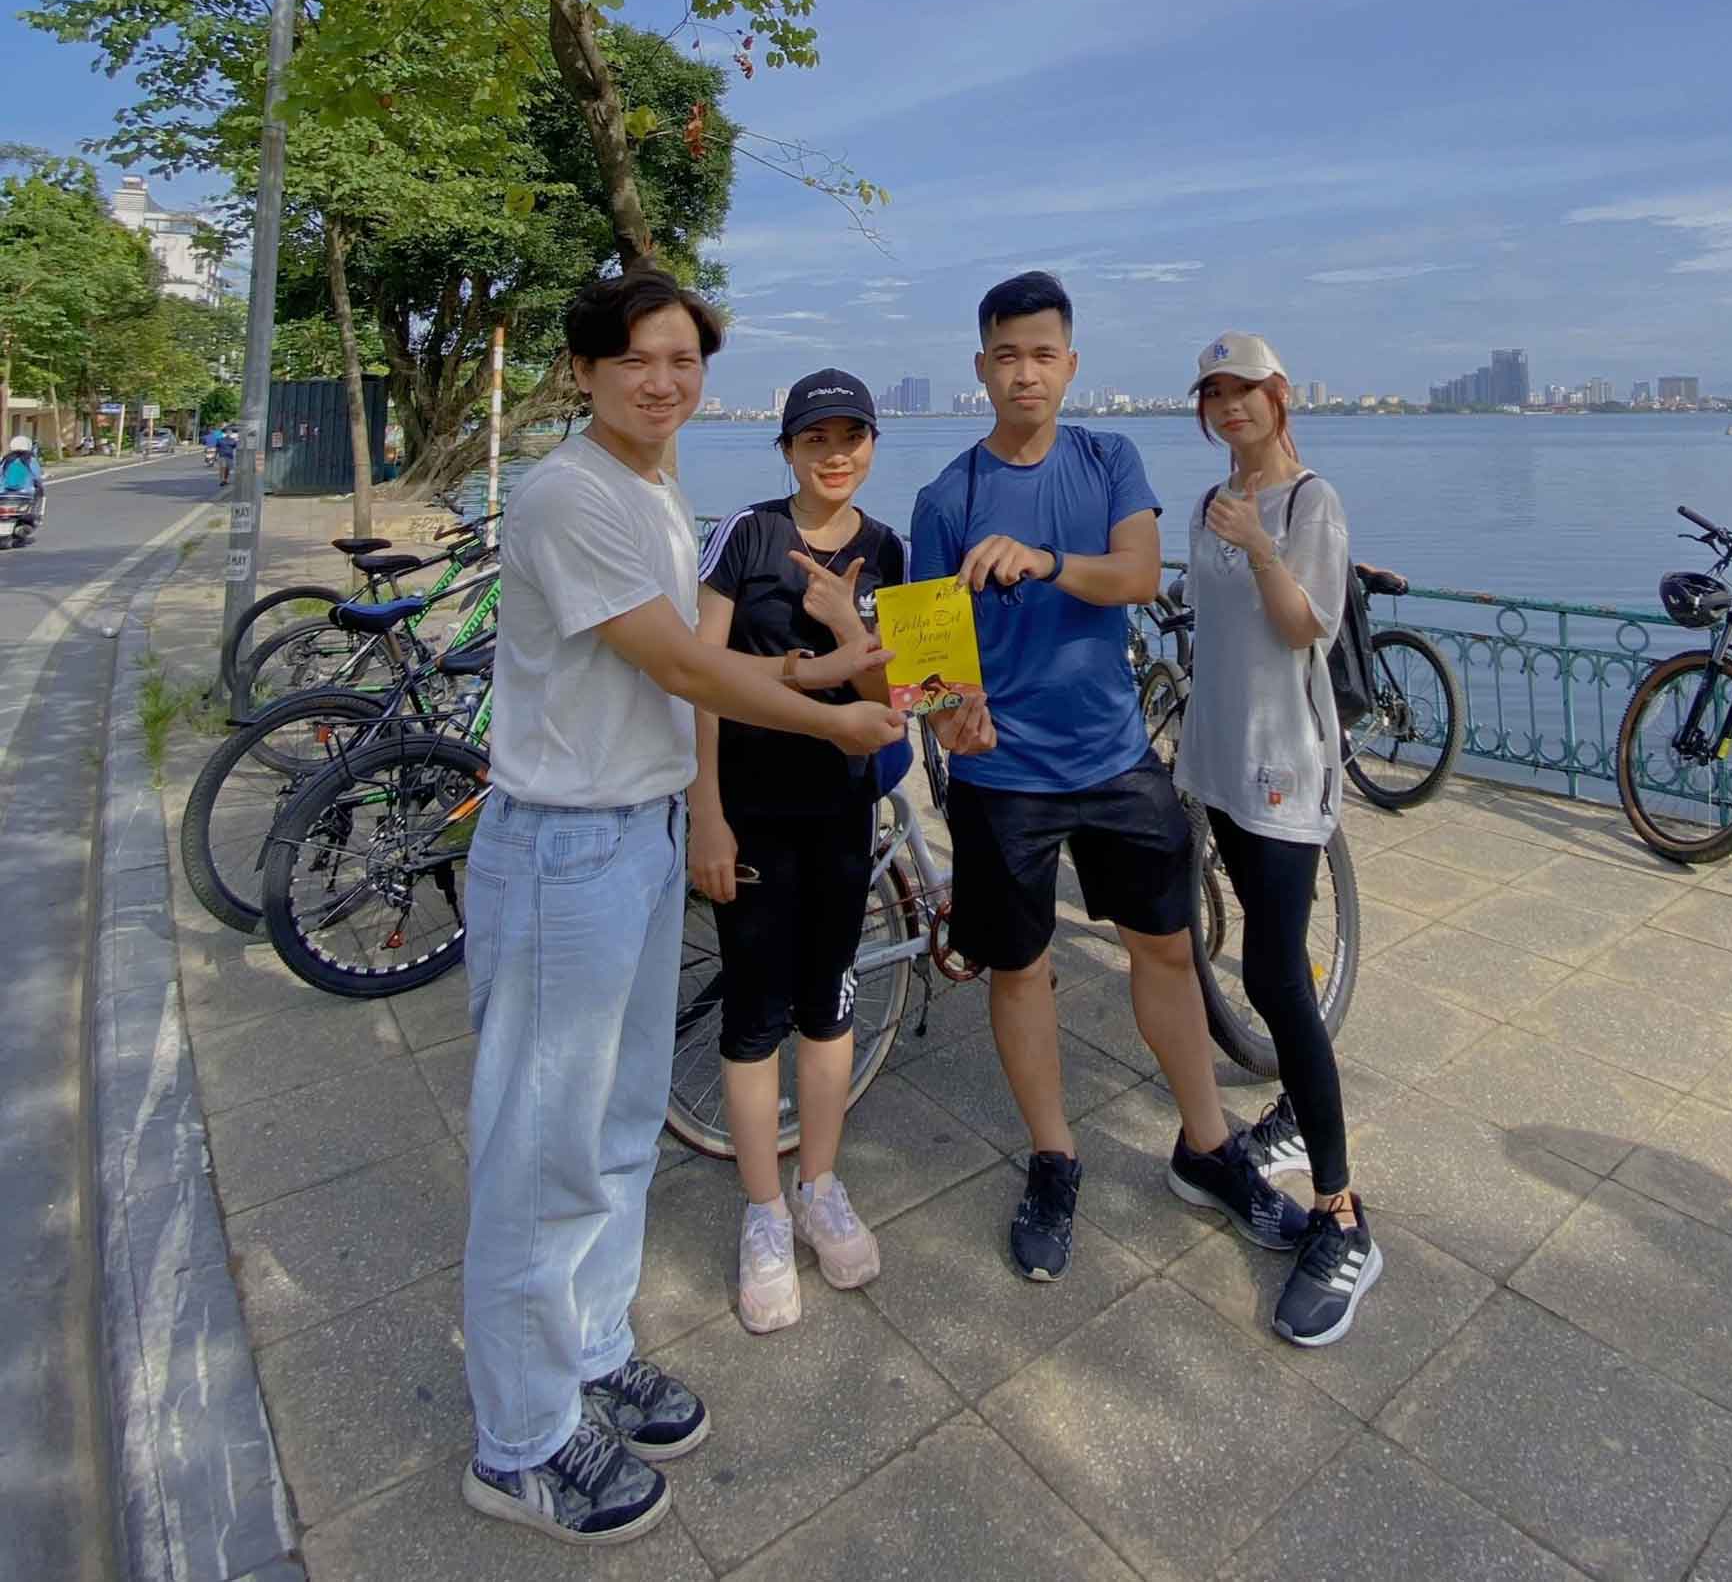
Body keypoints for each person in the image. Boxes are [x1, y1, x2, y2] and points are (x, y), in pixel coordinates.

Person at [461, 266, 903, 1548]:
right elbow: (681, 663)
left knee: (612, 1131)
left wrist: (830, 673)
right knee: (539, 1150)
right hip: (565, 849)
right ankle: (520, 1440)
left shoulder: (653, 489)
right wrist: (831, 721)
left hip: (638, 836)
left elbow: (698, 669)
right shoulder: (567, 493)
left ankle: (591, 1353)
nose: (663, 381)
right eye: (636, 359)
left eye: (683, 361)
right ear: (584, 371)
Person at [909, 271, 1309, 1281]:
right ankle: (1054, 1157)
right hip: (1005, 776)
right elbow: (926, 653)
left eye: (1043, 354)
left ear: (1071, 364)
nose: (1026, 373)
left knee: (1166, 950)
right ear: (981, 368)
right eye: (1007, 355)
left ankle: (1207, 1144)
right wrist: (951, 709)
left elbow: (1135, 574)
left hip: (1116, 757)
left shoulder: (1108, 460)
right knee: (1019, 967)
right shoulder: (945, 496)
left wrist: (1043, 560)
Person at [690, 369, 993, 1333]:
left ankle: (818, 1185)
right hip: (750, 811)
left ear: (870, 445)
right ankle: (764, 1211)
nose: (834, 454)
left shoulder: (889, 549)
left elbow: (908, 693)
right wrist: (706, 809)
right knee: (752, 1015)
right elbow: (698, 676)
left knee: (829, 1005)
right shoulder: (745, 535)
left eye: (850, 436)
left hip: (840, 813)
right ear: (786, 449)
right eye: (814, 437)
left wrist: (848, 624)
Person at [1177, 331, 1381, 1347]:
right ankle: (1295, 1118)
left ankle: (1341, 1211)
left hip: (1285, 770)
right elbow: (1204, 621)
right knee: (1269, 953)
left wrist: (1260, 546)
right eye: (1214, 393)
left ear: (1279, 395)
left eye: (1244, 390)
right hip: (1217, 762)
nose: (1230, 406)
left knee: (1272, 976)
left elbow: (1305, 626)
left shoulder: (1311, 504)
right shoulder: (1207, 503)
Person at [2, 434, 46, 526]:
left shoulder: (5, 460)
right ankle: (34, 517)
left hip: (4, 493)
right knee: (40, 494)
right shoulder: (31, 460)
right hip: (25, 492)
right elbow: (37, 477)